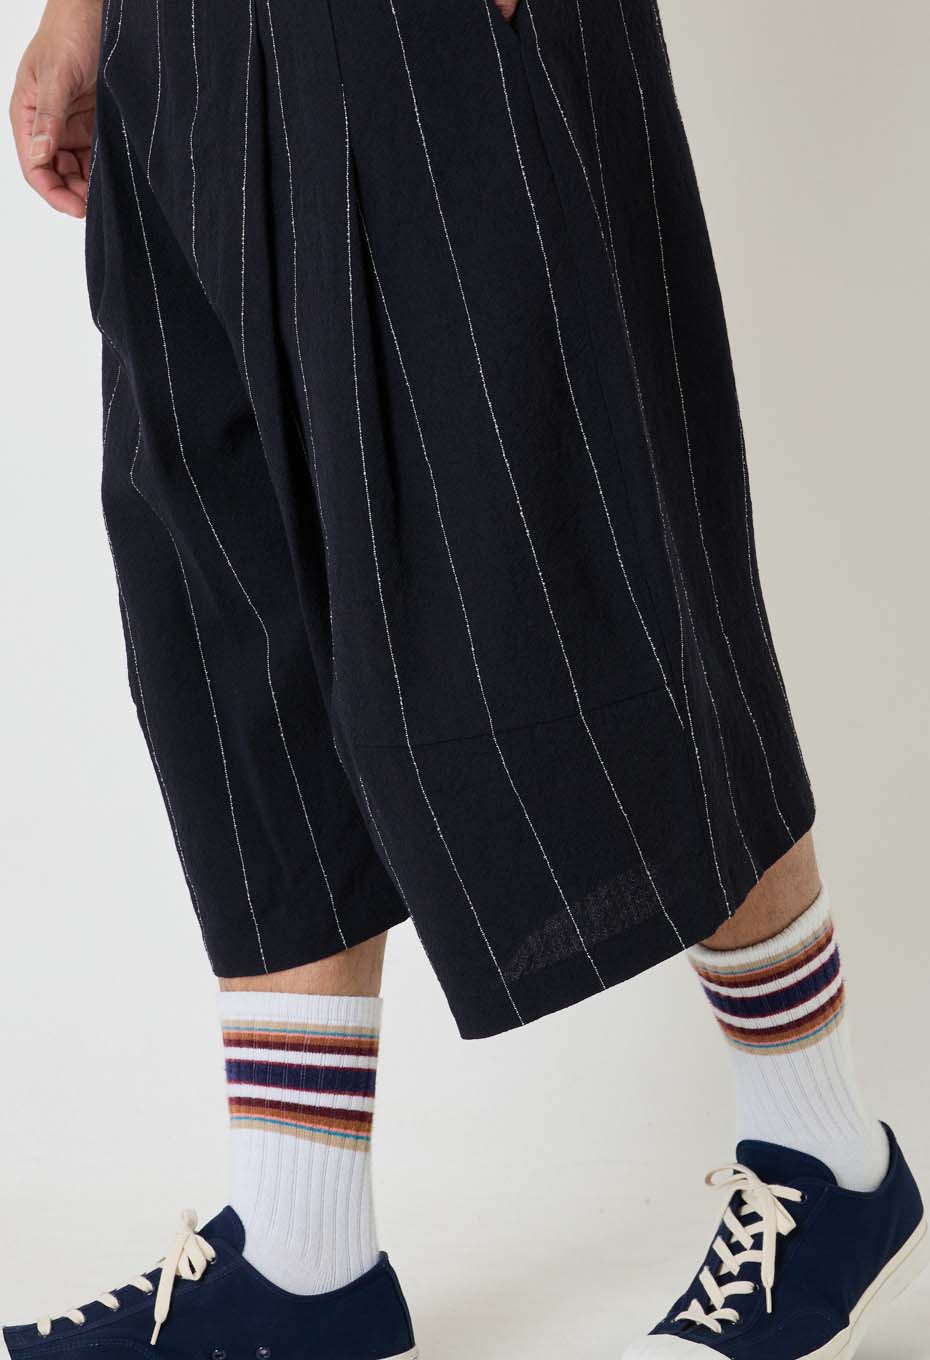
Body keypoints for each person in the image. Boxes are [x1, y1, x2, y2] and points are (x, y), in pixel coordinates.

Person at [7, 0, 925, 1356]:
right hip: (178, 39)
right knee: (229, 623)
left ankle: (825, 1152)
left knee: (573, 563)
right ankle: (304, 1256)